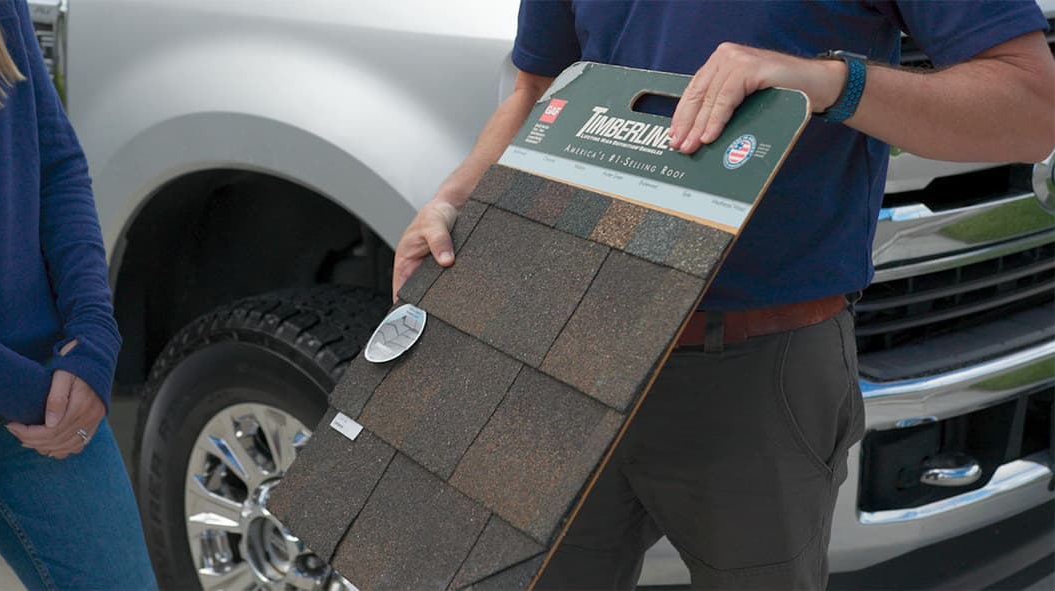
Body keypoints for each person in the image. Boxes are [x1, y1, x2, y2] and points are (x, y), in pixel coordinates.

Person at [392, 1, 1054, 589]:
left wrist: (829, 82)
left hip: (751, 368)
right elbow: (541, 85)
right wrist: (455, 200)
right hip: (558, 341)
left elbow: (1033, 108)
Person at [0, 0, 157, 588]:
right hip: (29, 392)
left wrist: (93, 339)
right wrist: (31, 394)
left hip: (38, 382)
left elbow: (53, 161)